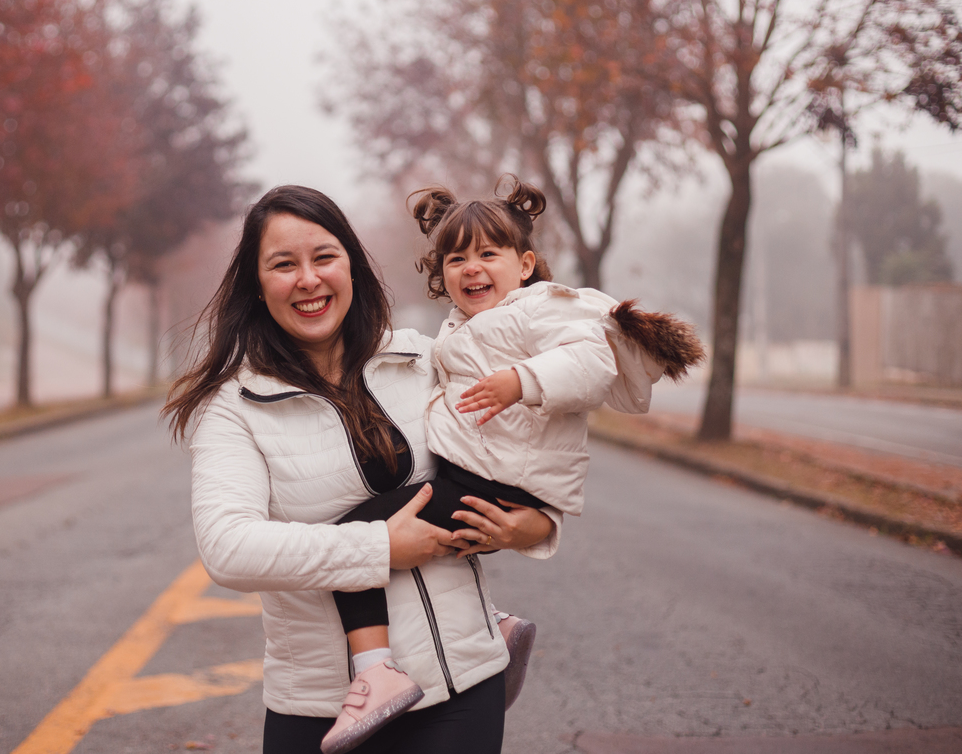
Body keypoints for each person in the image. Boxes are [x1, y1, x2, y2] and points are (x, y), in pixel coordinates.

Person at [317, 174, 705, 753]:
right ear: (440, 274)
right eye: (455, 258)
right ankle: (494, 624)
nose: (471, 267)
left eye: (488, 254)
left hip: (496, 483)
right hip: (479, 476)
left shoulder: (536, 309)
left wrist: (522, 381)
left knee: (357, 536)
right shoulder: (461, 328)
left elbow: (593, 360)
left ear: (524, 265)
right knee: (411, 539)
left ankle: (375, 672)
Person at [165, 184, 558, 754]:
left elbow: (517, 453)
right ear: (257, 283)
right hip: (322, 707)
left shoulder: (424, 358)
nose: (308, 279)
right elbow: (228, 547)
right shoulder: (232, 406)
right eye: (283, 264)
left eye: (324, 257)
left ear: (352, 265)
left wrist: (538, 527)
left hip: (461, 685)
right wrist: (379, 549)